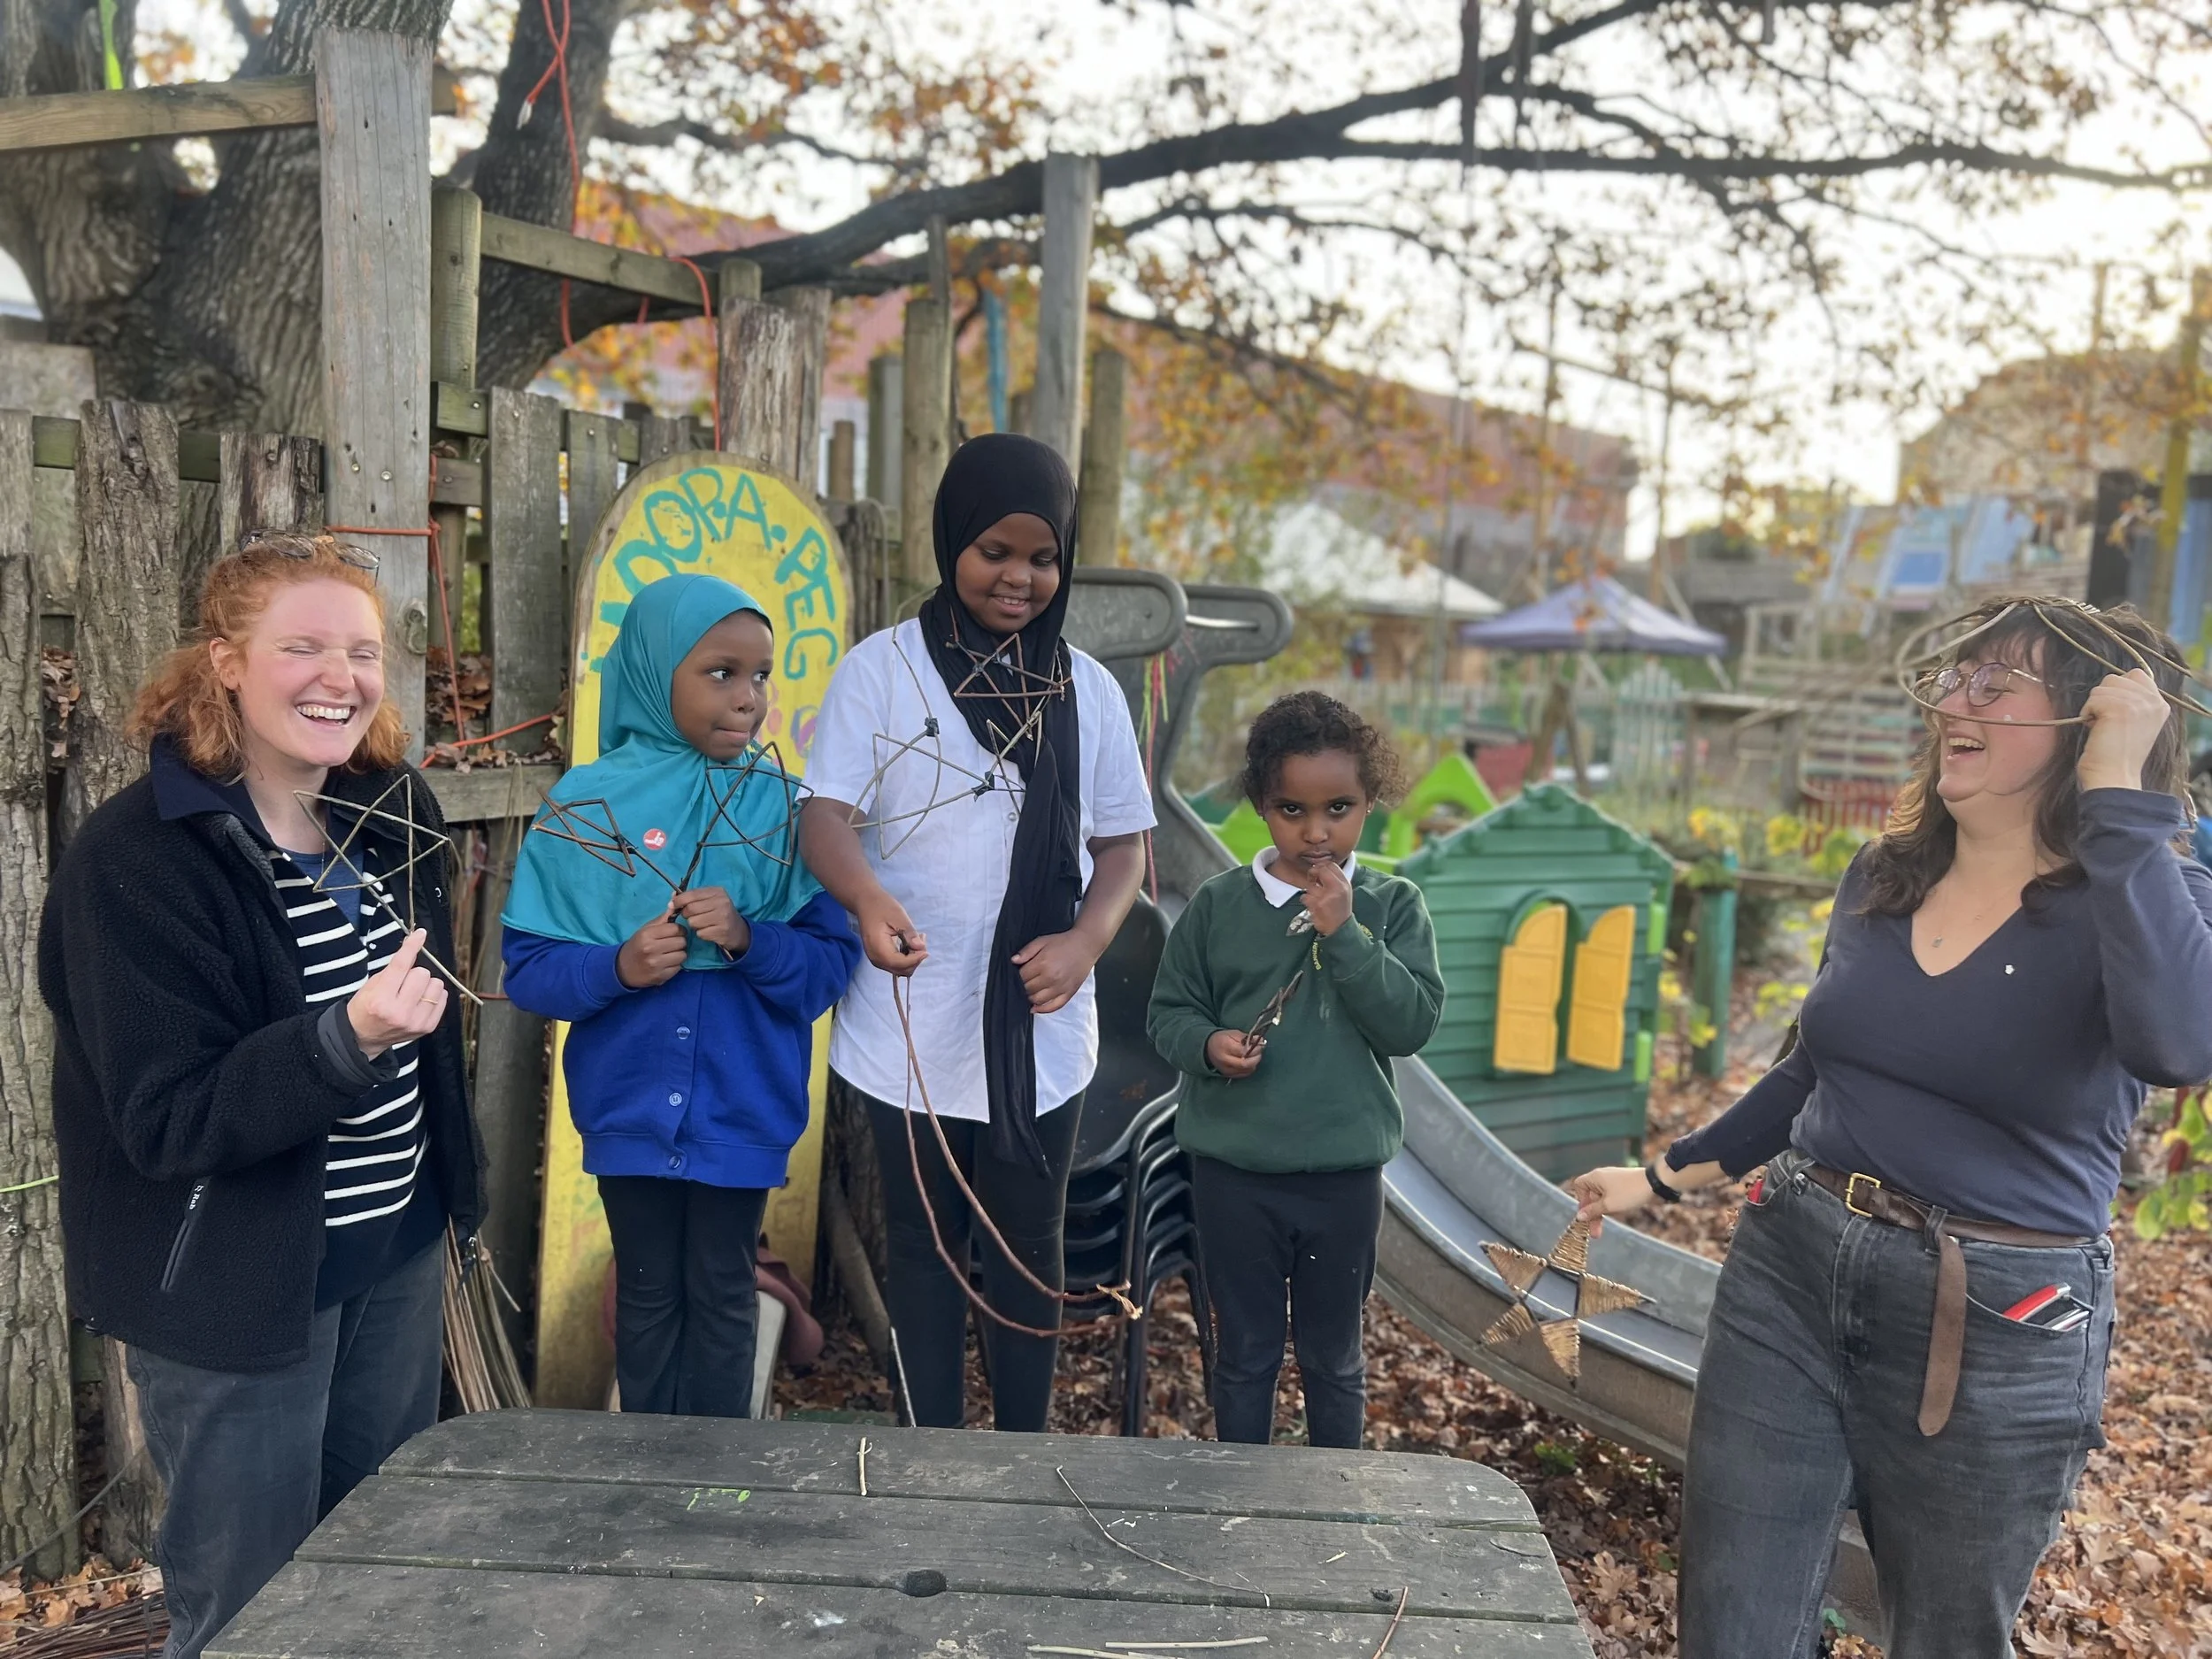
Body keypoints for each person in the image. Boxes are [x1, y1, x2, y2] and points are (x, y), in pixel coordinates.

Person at [1567, 596, 2212, 1659]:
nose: (1955, 700)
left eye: (1994, 684)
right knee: (1732, 1626)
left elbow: (2178, 1047)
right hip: (1791, 1267)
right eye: (1955, 678)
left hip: (2001, 1316)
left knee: (1943, 1638)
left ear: (2089, 726)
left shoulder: (2152, 894)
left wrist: (2119, 805)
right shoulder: (1882, 874)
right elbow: (1815, 1069)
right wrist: (1666, 1176)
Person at [40, 534, 483, 1659]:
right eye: (303, 647)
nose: (340, 677)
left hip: (392, 1254)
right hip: (236, 1289)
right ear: (227, 661)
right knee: (250, 1608)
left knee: (377, 1565)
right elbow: (167, 1117)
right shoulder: (137, 861)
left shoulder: (390, 810)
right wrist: (346, 1040)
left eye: (362, 652)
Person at [800, 433, 1153, 1431]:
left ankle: (1021, 1450)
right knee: (922, 1241)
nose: (1019, 576)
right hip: (912, 1011)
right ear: (952, 539)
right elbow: (823, 814)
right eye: (995, 550)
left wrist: (1086, 943)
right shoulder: (883, 674)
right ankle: (929, 1446)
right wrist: (867, 899)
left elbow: (1124, 849)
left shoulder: (1086, 688)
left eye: (1043, 557)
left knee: (1025, 1243)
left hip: (1043, 1023)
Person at [501, 574, 858, 1417]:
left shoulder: (785, 814)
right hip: (626, 1111)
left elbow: (825, 972)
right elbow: (529, 971)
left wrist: (748, 938)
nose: (749, 698)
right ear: (656, 673)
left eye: (762, 674)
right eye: (721, 673)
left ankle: (715, 1485)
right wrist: (617, 967)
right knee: (650, 1291)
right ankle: (645, 1480)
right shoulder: (584, 811)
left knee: (725, 1290)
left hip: (743, 1111)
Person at [1147, 691, 1443, 1448]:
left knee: (1333, 1357)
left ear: (1370, 803)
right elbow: (1168, 1014)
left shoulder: (1393, 905)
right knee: (1244, 1354)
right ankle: (1242, 1505)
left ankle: (1333, 1504)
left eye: (1339, 808)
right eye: (1291, 809)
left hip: (1342, 1179)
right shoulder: (1216, 907)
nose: (1316, 831)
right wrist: (1209, 1045)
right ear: (1260, 805)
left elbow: (1409, 1024)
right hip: (1233, 1175)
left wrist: (1345, 934)